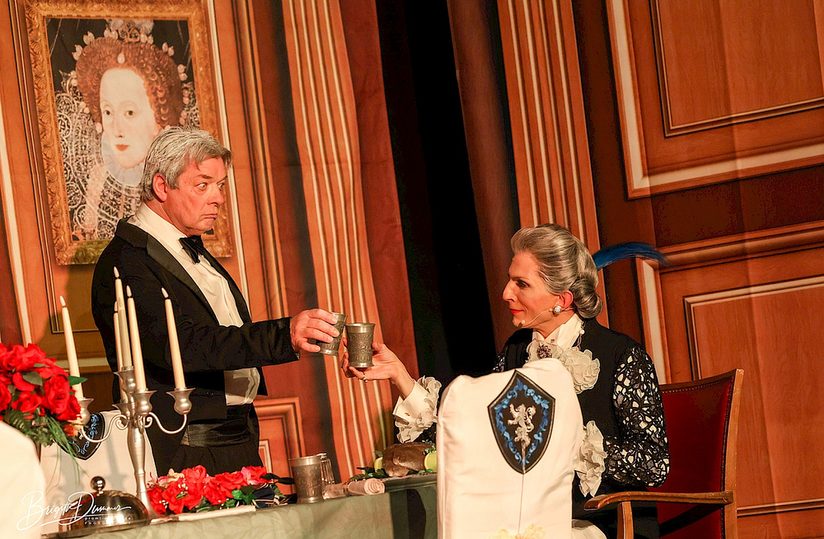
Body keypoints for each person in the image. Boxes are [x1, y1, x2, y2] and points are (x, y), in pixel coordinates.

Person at [342, 224, 670, 538]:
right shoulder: (517, 352)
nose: (505, 293)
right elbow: (463, 435)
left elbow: (654, 464)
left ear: (562, 299)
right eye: (509, 280)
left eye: (521, 284)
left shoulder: (621, 356)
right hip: (522, 524)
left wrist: (568, 444)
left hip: (600, 522)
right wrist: (399, 375)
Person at [91, 126, 339, 475]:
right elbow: (182, 345)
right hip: (186, 454)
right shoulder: (126, 261)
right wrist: (283, 335)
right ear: (162, 186)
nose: (219, 198)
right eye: (203, 185)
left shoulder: (191, 249)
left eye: (220, 185)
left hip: (238, 442)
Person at [71, 31, 185, 240]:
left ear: (159, 119)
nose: (116, 128)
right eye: (108, 112)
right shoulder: (99, 180)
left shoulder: (177, 178)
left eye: (130, 112)